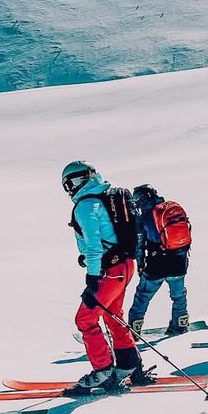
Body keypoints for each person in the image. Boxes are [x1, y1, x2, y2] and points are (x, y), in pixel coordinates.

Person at [62, 160, 154, 394]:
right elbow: (106, 239)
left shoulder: (86, 205)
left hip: (109, 272)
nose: (70, 189)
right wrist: (88, 259)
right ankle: (129, 365)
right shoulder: (102, 197)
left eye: (71, 183)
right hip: (124, 266)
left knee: (85, 319)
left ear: (83, 178)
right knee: (113, 315)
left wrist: (92, 279)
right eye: (66, 185)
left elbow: (94, 246)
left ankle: (103, 373)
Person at [128, 183, 191, 338]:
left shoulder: (144, 217)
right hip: (179, 262)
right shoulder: (171, 210)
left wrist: (140, 264)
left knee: (143, 295)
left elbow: (139, 244)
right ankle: (180, 322)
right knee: (179, 295)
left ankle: (134, 328)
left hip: (157, 265)